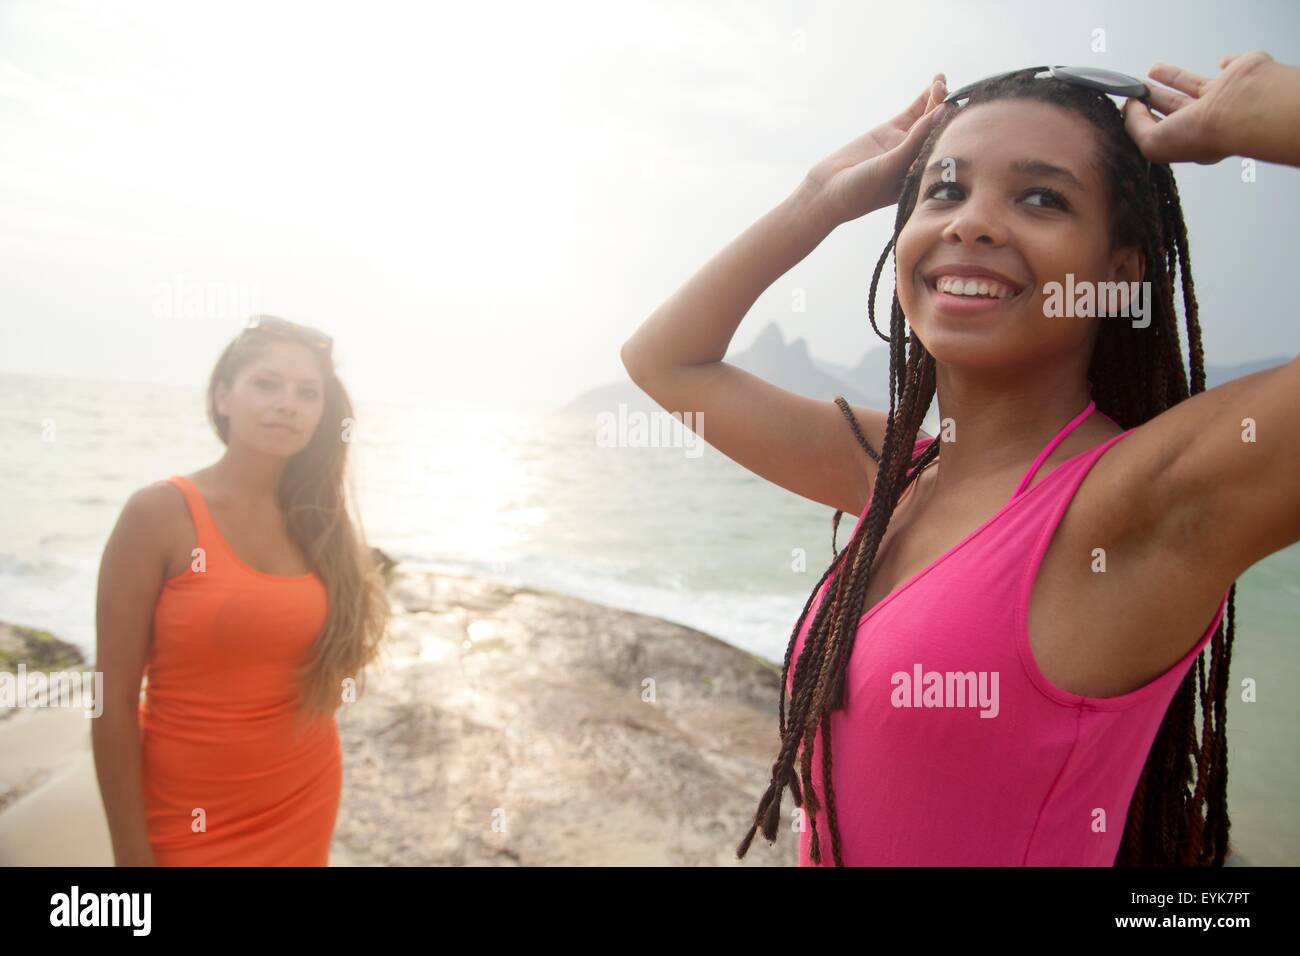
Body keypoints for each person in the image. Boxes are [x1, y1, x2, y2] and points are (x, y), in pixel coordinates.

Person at [621, 52, 1300, 865]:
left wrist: (1281, 110)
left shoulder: (1137, 505)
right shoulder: (897, 472)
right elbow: (668, 363)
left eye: (1041, 197)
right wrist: (820, 198)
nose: (970, 222)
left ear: (1120, 275)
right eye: (944, 188)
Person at [92, 315, 390, 865]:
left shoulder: (321, 523)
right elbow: (110, 701)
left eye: (308, 393)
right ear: (224, 395)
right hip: (186, 815)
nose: (287, 404)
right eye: (267, 384)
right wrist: (130, 860)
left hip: (302, 796)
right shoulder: (158, 513)